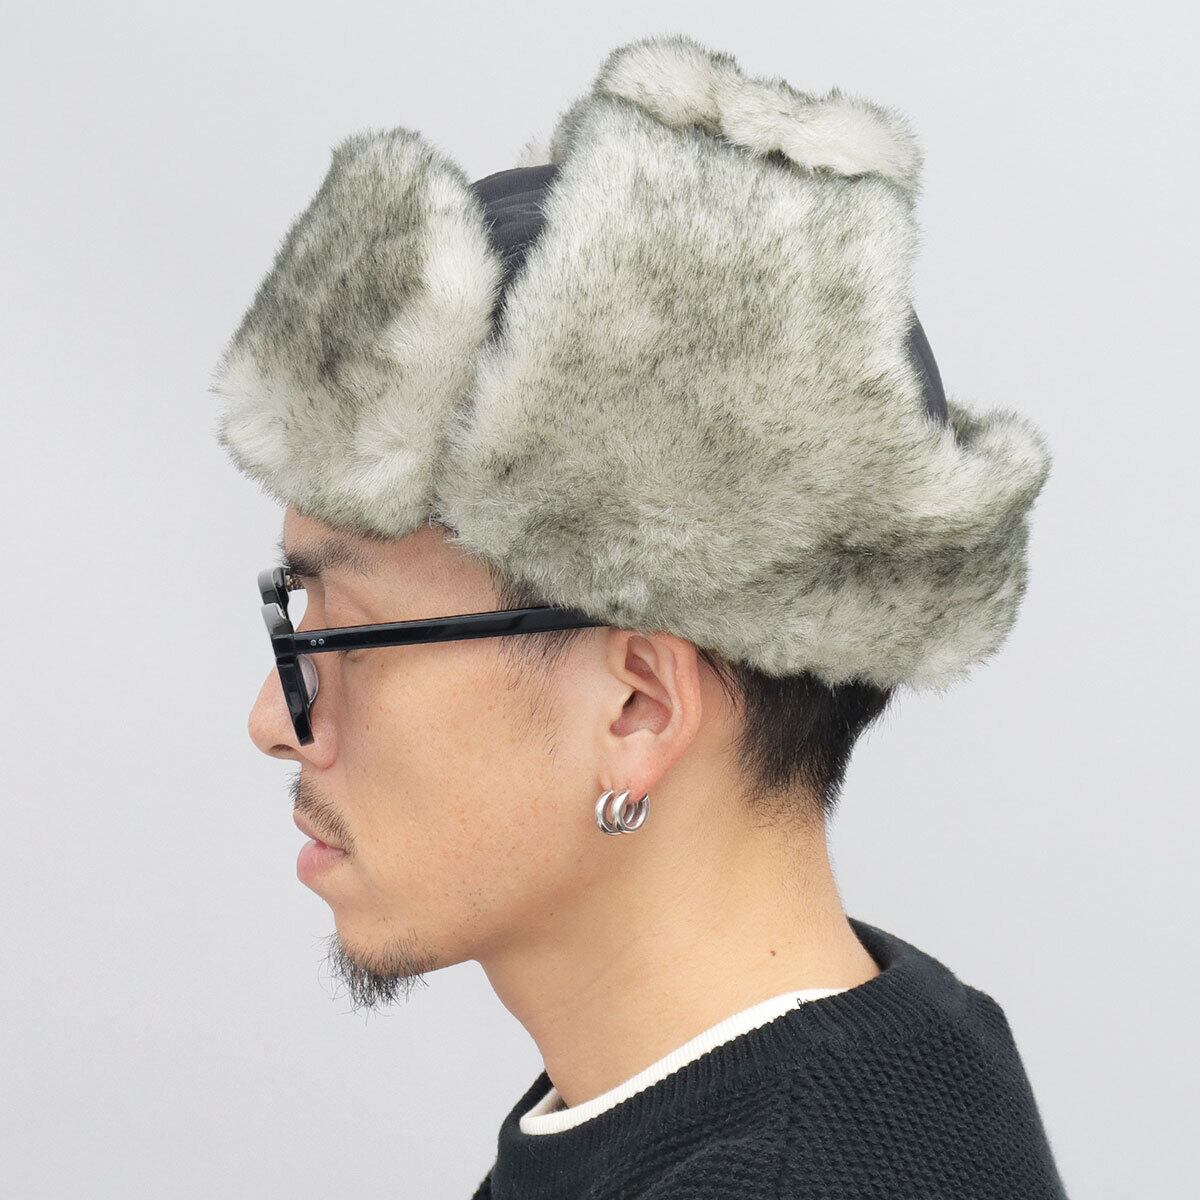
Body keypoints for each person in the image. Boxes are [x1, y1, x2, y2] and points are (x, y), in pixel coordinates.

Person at [210, 30, 1069, 1200]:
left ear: (636, 706)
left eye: (338, 633)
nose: (276, 722)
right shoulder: (856, 1067)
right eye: (294, 616)